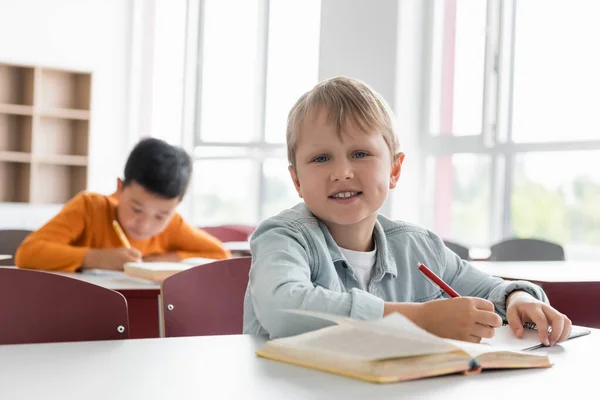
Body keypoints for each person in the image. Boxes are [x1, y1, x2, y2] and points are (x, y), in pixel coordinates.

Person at [243, 77, 571, 346]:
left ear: (394, 170)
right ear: (297, 180)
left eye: (360, 153)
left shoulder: (418, 246)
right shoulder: (282, 237)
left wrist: (518, 299)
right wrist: (418, 320)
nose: (342, 172)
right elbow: (282, 309)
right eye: (321, 158)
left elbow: (490, 292)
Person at [16, 138, 229, 272]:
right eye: (136, 209)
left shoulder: (174, 224)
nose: (145, 225)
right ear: (120, 188)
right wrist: (96, 258)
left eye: (160, 216)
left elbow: (221, 256)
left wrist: (168, 259)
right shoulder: (90, 207)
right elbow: (27, 254)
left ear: (177, 205)